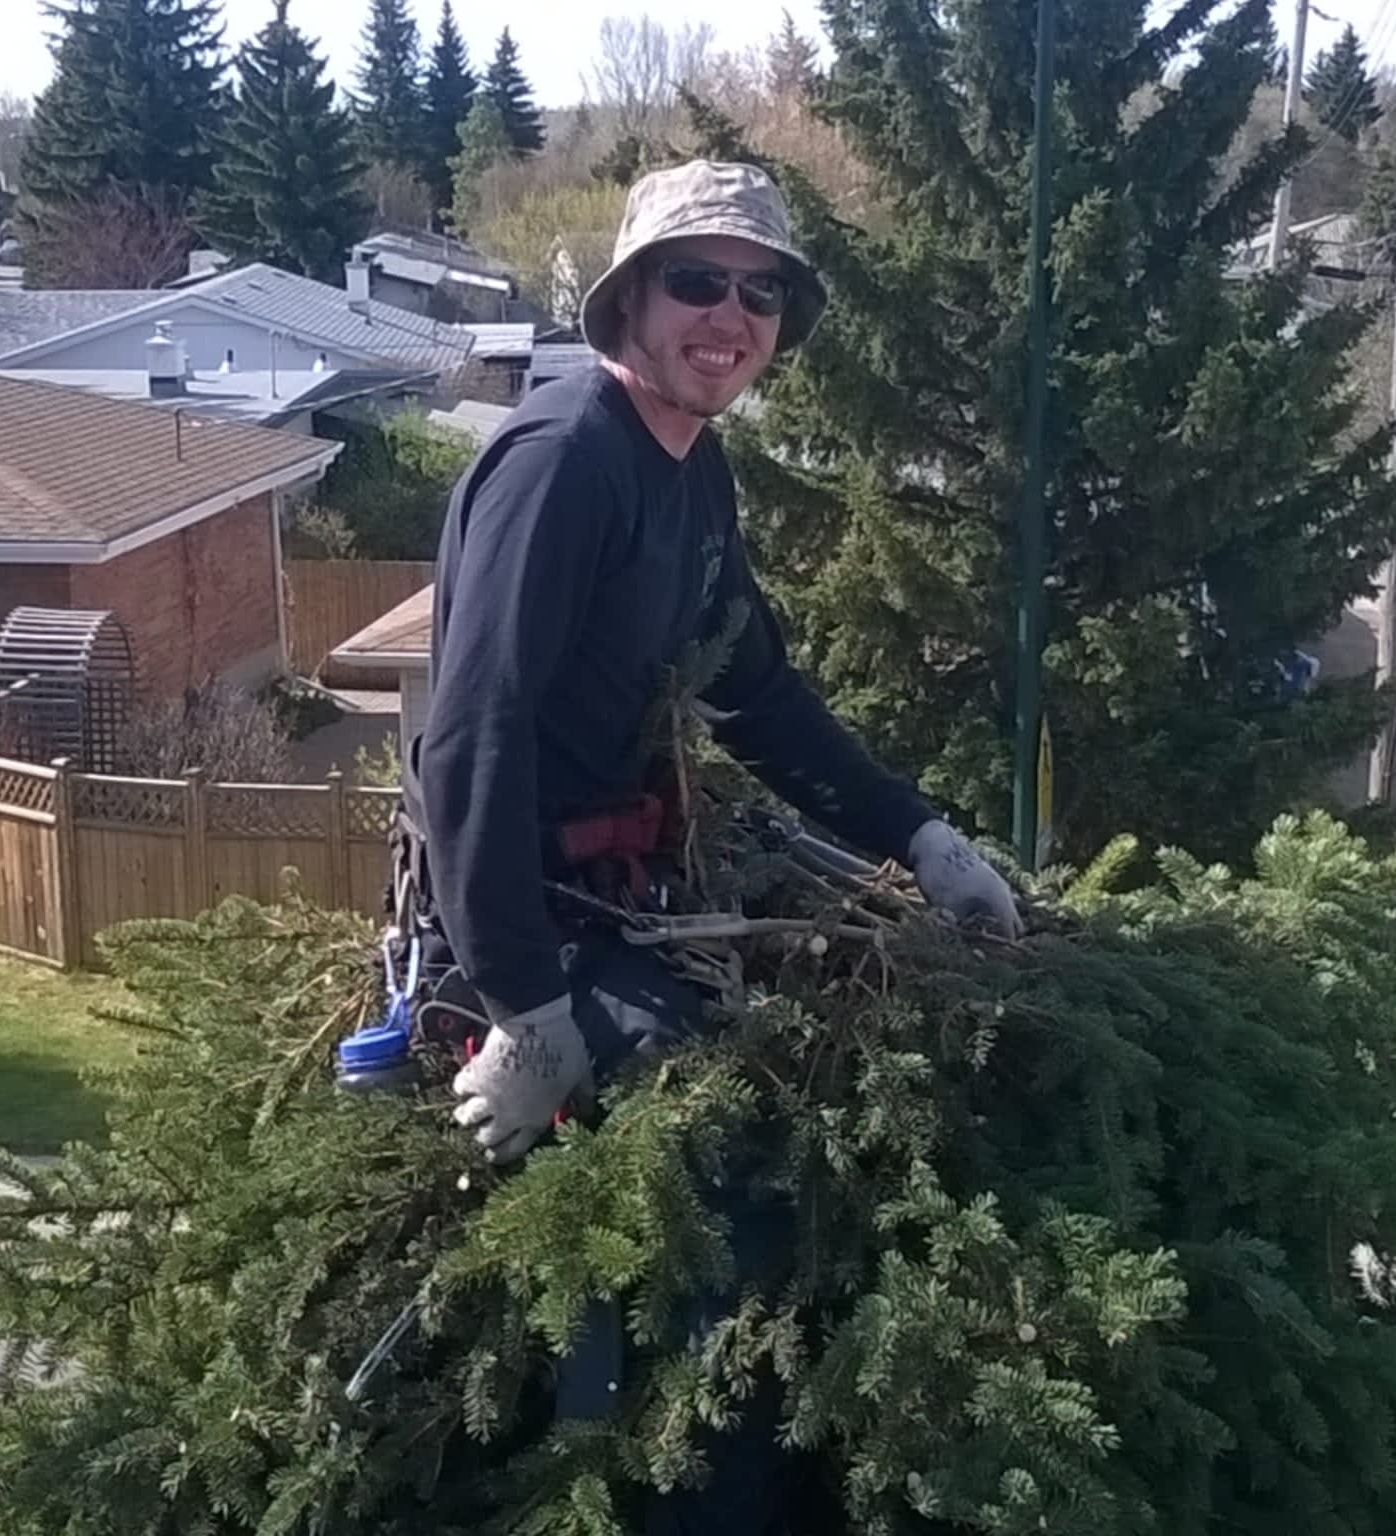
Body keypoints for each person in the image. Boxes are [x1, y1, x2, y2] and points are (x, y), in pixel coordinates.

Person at [410, 154, 1021, 1534]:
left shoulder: (694, 468)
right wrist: (523, 1002)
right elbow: (472, 739)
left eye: (759, 294)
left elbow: (760, 694)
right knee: (729, 1154)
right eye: (698, 281)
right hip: (530, 915)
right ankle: (698, 1500)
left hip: (627, 894)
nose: (728, 316)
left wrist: (923, 840)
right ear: (632, 298)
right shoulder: (564, 458)